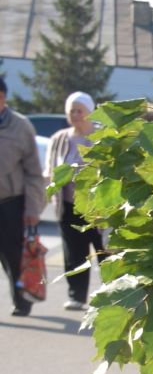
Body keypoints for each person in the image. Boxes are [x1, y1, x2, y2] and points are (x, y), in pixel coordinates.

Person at [44, 92, 104, 312]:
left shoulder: (103, 137)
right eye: (72, 110)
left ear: (90, 112)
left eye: (80, 110)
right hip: (69, 207)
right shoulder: (59, 138)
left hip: (99, 207)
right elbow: (49, 172)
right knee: (74, 254)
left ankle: (110, 295)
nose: (76, 115)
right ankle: (76, 296)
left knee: (105, 251)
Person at [0, 75, 45, 317]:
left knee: (12, 257)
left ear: (3, 98)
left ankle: (22, 301)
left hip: (10, 203)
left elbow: (34, 173)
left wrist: (32, 209)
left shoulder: (20, 126)